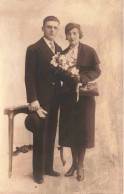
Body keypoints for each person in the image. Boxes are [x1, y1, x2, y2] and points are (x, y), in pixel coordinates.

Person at [58, 23, 101, 181]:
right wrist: (67, 75)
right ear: (66, 36)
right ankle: (74, 163)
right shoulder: (62, 54)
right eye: (69, 34)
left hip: (84, 98)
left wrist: (81, 78)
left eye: (75, 33)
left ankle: (81, 165)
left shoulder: (89, 51)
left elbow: (97, 70)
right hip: (68, 98)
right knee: (71, 131)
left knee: (82, 131)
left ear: (79, 34)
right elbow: (59, 75)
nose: (72, 36)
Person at [24, 16, 62, 184]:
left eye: (55, 27)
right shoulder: (33, 49)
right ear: (43, 29)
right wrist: (34, 102)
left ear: (58, 30)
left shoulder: (59, 49)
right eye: (49, 27)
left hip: (55, 99)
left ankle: (48, 167)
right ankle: (38, 172)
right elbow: (29, 77)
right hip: (41, 100)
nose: (52, 30)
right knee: (40, 133)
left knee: (51, 133)